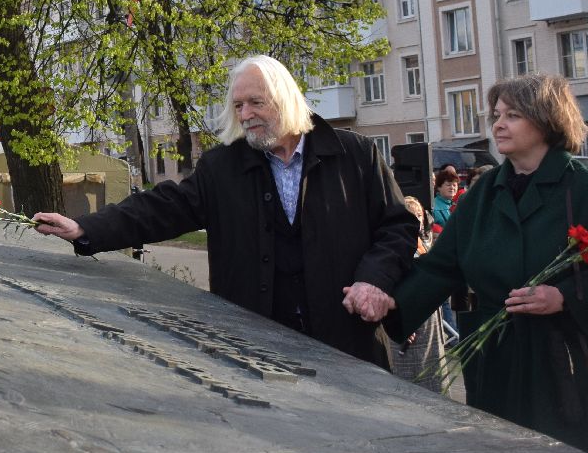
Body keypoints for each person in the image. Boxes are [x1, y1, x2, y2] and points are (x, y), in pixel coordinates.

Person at [32, 54, 418, 367]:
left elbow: (397, 226)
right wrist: (85, 228)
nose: (245, 114)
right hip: (257, 353)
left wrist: (374, 280)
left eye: (255, 103)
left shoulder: (355, 156)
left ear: (284, 99)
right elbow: (162, 207)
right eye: (238, 105)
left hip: (347, 347)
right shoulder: (224, 167)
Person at [381, 74, 588, 453]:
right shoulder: (486, 190)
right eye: (496, 114)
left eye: (513, 114)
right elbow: (444, 265)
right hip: (497, 359)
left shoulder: (586, 187)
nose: (498, 124)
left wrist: (564, 297)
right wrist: (390, 306)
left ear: (546, 120)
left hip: (566, 360)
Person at [389, 196, 447, 391]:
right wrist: (404, 320)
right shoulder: (396, 248)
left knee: (433, 376)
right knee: (410, 381)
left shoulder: (423, 244)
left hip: (429, 324)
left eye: (420, 215)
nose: (418, 220)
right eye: (413, 216)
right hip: (410, 326)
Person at [430, 166, 460, 235]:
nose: (452, 187)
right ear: (439, 187)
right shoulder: (433, 206)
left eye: (454, 185)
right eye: (448, 185)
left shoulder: (459, 204)